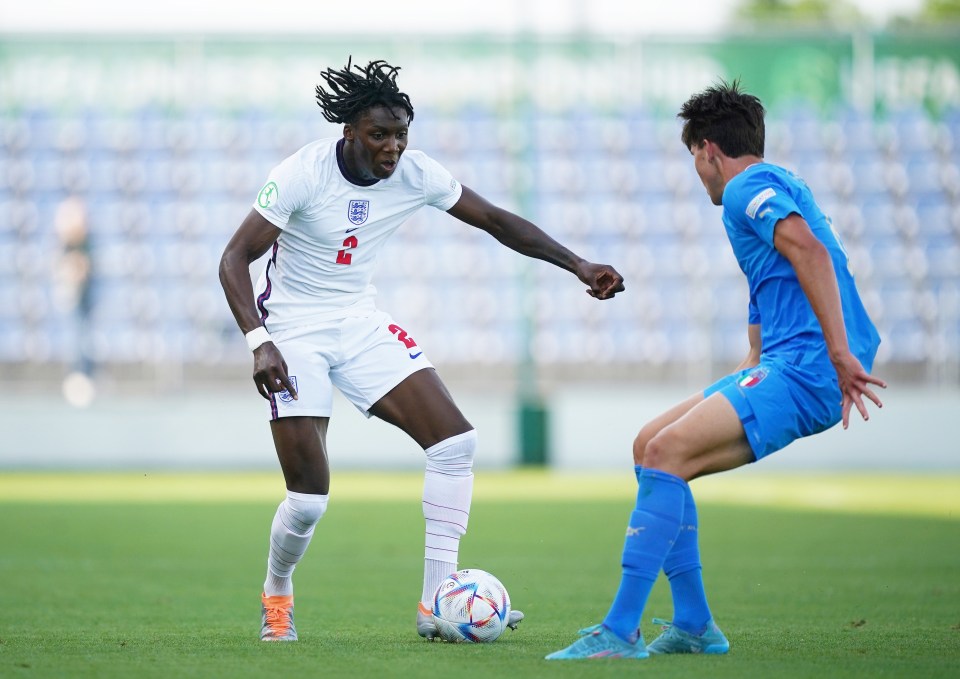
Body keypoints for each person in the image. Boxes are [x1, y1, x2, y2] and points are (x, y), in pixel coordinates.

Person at [218, 57, 625, 642]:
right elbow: (234, 258)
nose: (393, 148)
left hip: (358, 319)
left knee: (456, 443)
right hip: (292, 329)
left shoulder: (416, 174)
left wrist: (578, 264)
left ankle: (437, 601)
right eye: (380, 135)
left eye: (401, 135)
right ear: (349, 133)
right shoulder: (302, 174)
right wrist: (260, 342)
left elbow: (494, 219)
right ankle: (277, 592)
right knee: (308, 501)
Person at [546, 79, 886, 661]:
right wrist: (753, 357)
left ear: (708, 150)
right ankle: (695, 624)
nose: (697, 175)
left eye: (693, 161)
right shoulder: (779, 181)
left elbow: (808, 251)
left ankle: (621, 630)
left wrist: (838, 352)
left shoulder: (744, 187)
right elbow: (771, 275)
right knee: (649, 443)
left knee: (666, 452)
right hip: (785, 359)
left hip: (810, 366)